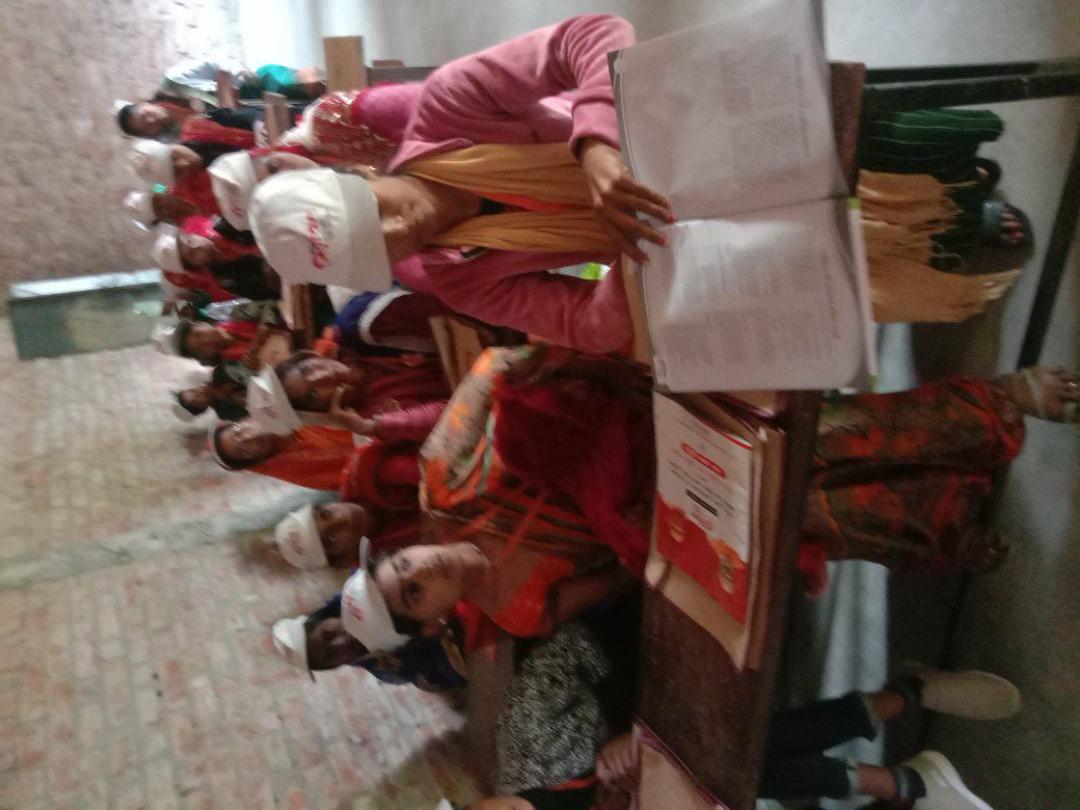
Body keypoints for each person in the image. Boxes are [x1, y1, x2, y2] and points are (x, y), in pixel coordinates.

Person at [249, 14, 675, 354]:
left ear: (363, 172)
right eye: (376, 249)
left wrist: (597, 145)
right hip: (673, 236)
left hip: (670, 128)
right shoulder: (462, 282)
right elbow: (585, 326)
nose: (398, 230)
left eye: (376, 211)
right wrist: (633, 252)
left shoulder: (449, 107)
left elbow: (592, 35)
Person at [271, 592, 467, 691]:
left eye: (328, 633)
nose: (340, 642)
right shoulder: (389, 668)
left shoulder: (362, 592)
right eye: (331, 655)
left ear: (327, 616)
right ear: (337, 665)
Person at [210, 418, 354, 491]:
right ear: (255, 461)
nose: (248, 438)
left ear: (244, 420)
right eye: (243, 449)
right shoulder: (303, 469)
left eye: (238, 432)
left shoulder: (290, 401)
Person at [151, 300, 291, 367]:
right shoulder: (232, 366)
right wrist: (257, 370)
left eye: (198, 335)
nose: (205, 342)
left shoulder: (234, 315)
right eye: (198, 348)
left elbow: (268, 305)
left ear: (201, 324)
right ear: (201, 356)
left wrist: (264, 329)